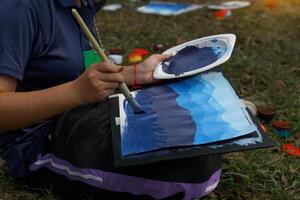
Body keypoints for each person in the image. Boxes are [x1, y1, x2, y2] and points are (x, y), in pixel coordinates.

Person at [0, 0, 222, 199]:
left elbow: (80, 71)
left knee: (194, 139)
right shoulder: (18, 7)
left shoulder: (83, 4)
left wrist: (136, 73)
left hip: (85, 111)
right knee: (182, 175)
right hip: (37, 141)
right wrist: (75, 92)